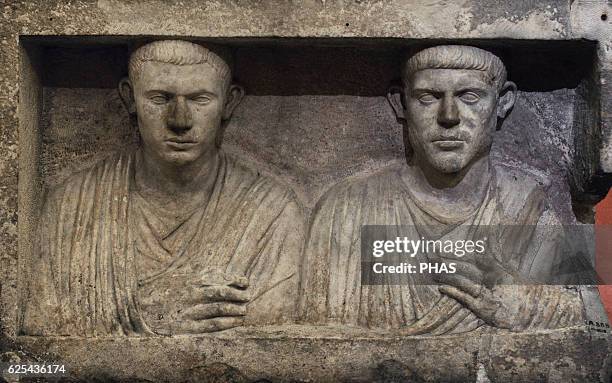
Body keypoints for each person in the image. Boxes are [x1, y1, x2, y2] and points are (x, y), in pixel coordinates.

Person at [22, 40, 304, 336]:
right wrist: (142, 311)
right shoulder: (74, 205)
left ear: (230, 102)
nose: (180, 120)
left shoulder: (271, 212)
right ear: (129, 97)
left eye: (200, 99)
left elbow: (271, 343)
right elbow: (35, 348)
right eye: (160, 98)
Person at [299, 45, 584, 334]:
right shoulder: (345, 211)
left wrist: (529, 306)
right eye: (428, 97)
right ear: (401, 103)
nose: (449, 116)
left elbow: (596, 318)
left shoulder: (529, 206)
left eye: (469, 96)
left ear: (502, 103)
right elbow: (304, 348)